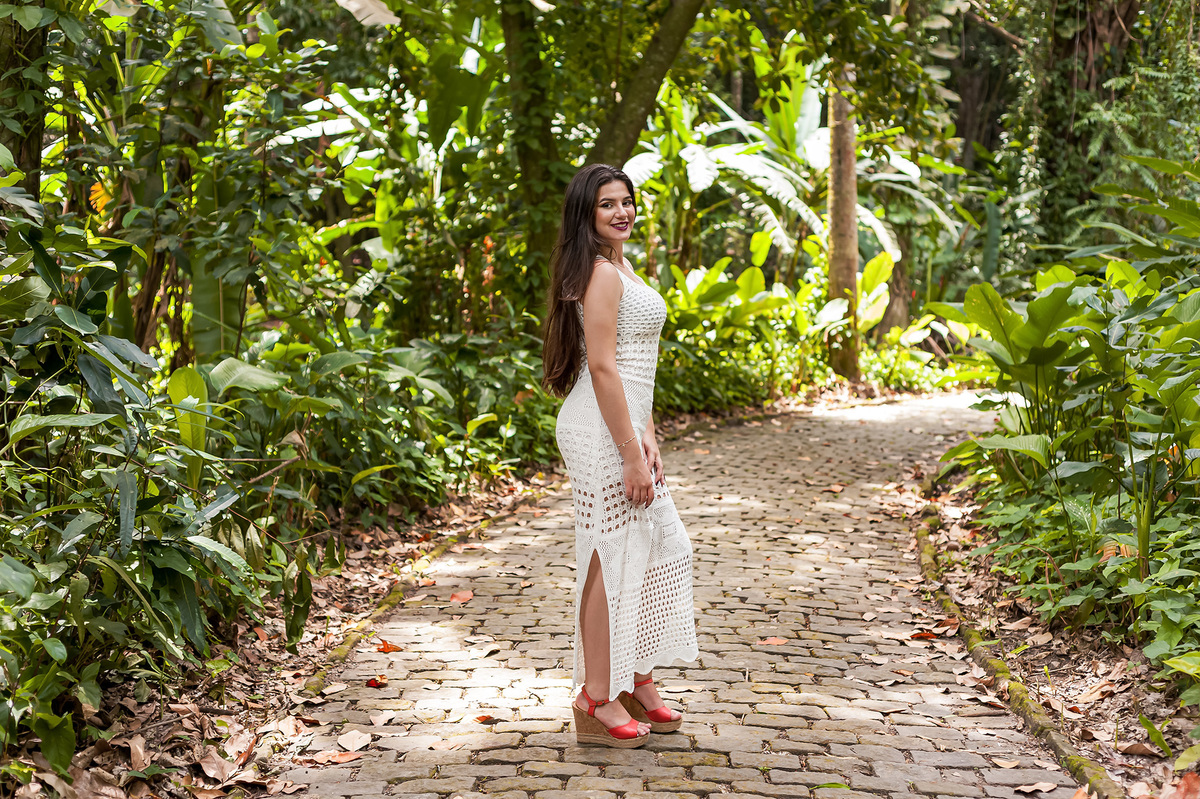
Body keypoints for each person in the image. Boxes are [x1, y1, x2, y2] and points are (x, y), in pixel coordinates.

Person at [542, 164, 699, 748]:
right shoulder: (602, 275)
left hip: (626, 426)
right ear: (587, 214)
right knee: (611, 556)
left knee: (657, 548)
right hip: (599, 430)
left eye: (627, 202)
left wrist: (649, 433)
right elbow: (604, 367)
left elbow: (638, 370)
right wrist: (631, 453)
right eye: (608, 204)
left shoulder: (621, 266)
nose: (622, 212)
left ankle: (637, 677)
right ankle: (597, 695)